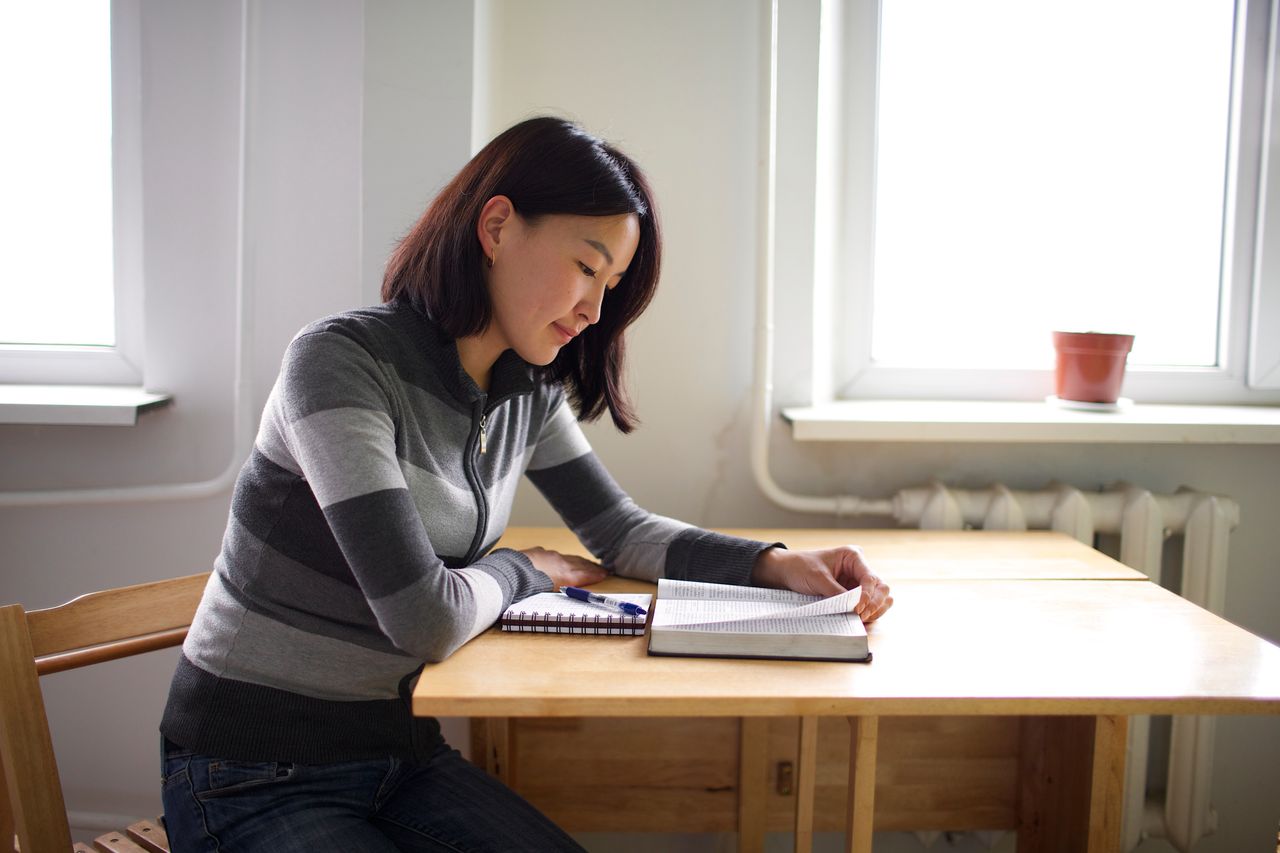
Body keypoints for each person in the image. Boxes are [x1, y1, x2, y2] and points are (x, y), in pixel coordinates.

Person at [159, 116, 893, 852]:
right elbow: (423, 618)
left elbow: (618, 530)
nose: (595, 310)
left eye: (611, 284)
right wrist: (525, 569)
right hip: (248, 770)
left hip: (398, 752)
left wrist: (773, 564)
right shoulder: (340, 365)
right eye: (586, 266)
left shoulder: (523, 392)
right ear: (499, 226)